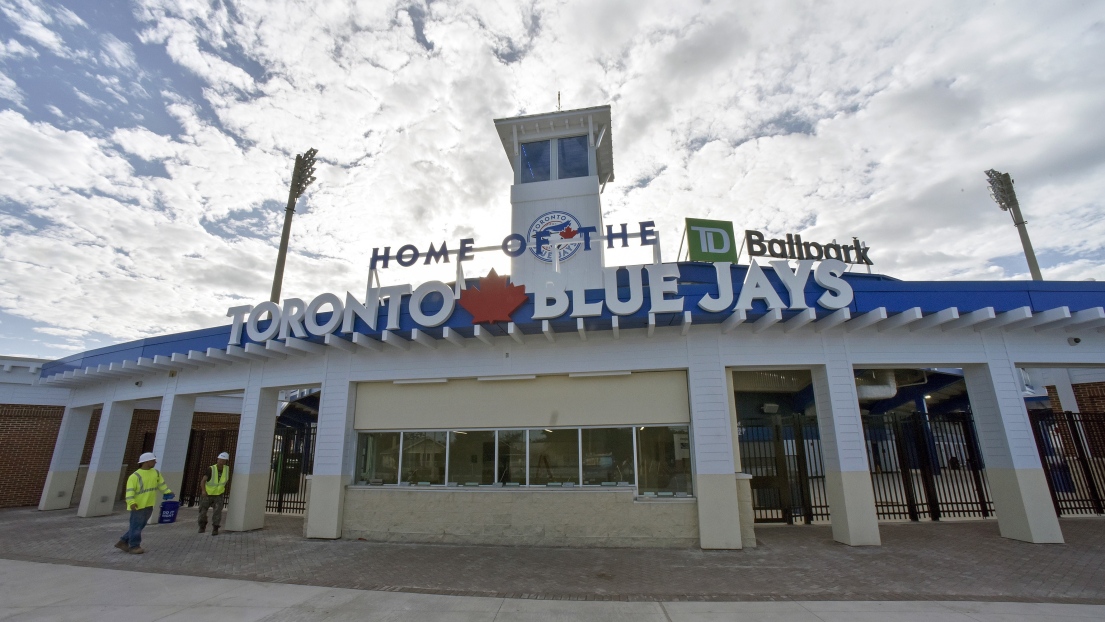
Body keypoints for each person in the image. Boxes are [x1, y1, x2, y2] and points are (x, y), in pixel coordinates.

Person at [114, 452, 173, 554]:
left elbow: (161, 485)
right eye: (153, 460)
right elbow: (130, 491)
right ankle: (134, 546)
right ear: (146, 462)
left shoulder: (156, 473)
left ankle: (123, 541)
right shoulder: (135, 476)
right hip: (138, 505)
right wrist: (131, 502)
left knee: (139, 525)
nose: (155, 462)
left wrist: (167, 492)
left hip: (149, 503)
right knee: (136, 526)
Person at [198, 451, 231, 535]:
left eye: (223, 460)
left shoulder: (227, 469)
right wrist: (203, 491)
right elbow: (203, 481)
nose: (221, 462)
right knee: (203, 511)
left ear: (225, 461)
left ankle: (215, 528)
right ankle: (202, 526)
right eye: (220, 460)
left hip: (218, 495)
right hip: (207, 494)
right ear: (217, 459)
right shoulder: (211, 469)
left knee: (217, 512)